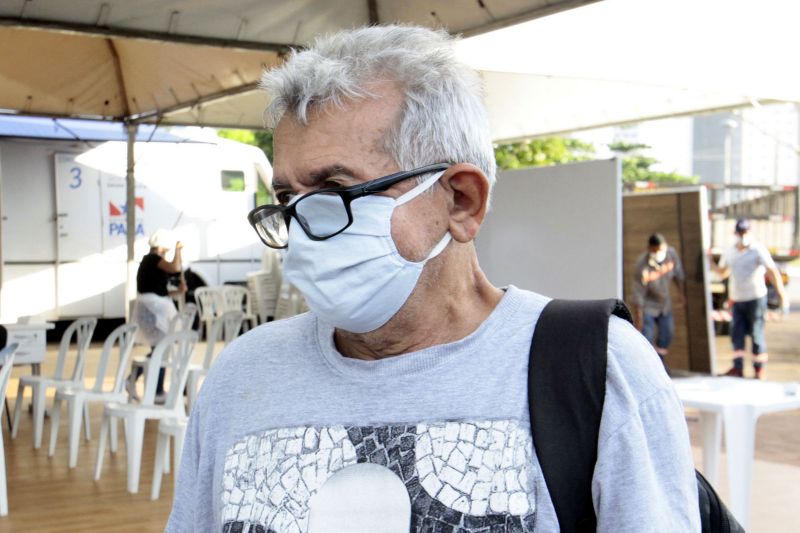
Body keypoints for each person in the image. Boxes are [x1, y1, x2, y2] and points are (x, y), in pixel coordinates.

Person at [167, 26, 699, 532]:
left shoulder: (599, 370)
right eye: (287, 199)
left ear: (461, 201)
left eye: (334, 188)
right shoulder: (245, 375)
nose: (304, 230)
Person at [711, 218, 788, 379]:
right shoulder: (730, 251)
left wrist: (782, 295)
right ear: (736, 233)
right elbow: (723, 272)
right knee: (736, 334)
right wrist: (709, 262)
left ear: (750, 232)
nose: (742, 235)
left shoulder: (757, 250)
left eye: (745, 232)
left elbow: (772, 272)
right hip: (737, 299)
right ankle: (737, 368)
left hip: (756, 298)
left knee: (756, 333)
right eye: (740, 232)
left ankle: (759, 369)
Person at [126, 229, 186, 402]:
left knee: (160, 350)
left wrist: (177, 291)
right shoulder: (152, 259)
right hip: (151, 312)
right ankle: (154, 389)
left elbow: (160, 290)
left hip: (153, 310)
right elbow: (175, 267)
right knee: (161, 349)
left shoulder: (153, 263)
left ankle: (150, 387)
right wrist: (178, 250)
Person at [631, 233, 686, 366]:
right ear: (650, 248)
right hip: (648, 305)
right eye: (656, 250)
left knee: (667, 333)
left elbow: (678, 275)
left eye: (661, 250)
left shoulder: (671, 255)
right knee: (647, 336)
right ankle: (649, 366)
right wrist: (639, 318)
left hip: (664, 304)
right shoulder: (642, 265)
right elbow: (638, 293)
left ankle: (660, 362)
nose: (659, 253)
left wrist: (681, 294)